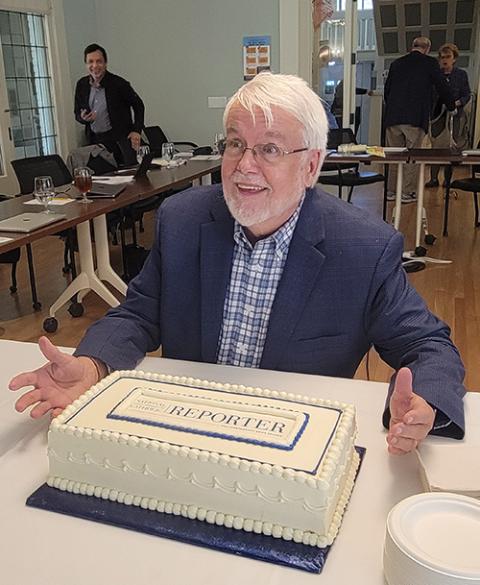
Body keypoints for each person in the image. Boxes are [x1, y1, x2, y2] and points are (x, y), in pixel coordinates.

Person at [10, 72, 465, 455]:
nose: (244, 165)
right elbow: (139, 313)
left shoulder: (363, 248)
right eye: (234, 144)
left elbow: (428, 346)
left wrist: (424, 400)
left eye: (269, 149)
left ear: (311, 166)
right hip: (185, 432)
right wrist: (91, 365)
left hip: (292, 445)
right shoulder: (183, 219)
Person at [384, 37, 455, 203]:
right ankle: (408, 192)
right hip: (415, 117)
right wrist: (451, 106)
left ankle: (391, 190)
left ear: (412, 47)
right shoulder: (429, 63)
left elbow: (387, 90)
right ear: (427, 49)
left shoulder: (396, 63)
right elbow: (442, 87)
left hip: (393, 117)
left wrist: (393, 108)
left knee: (393, 155)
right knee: (412, 155)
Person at [74, 43, 145, 160]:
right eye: (90, 62)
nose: (95, 66)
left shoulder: (119, 84)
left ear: (105, 63)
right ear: (86, 64)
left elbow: (139, 105)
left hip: (119, 140)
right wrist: (83, 118)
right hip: (95, 141)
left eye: (99, 61)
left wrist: (136, 131)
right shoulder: (82, 85)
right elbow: (77, 112)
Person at [426, 43, 471, 188]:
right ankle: (433, 178)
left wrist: (458, 103)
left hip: (456, 115)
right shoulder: (435, 74)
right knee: (436, 147)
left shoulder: (461, 75)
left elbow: (466, 94)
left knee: (452, 147)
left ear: (454, 58)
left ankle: (448, 179)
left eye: (448, 57)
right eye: (442, 57)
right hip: (438, 115)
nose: (445, 60)